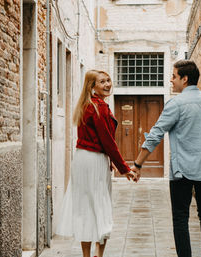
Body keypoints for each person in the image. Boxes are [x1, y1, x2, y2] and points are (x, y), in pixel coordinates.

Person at [131, 60, 201, 257]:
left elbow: (156, 133)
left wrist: (137, 164)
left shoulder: (176, 103)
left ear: (185, 79)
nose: (170, 80)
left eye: (174, 76)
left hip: (182, 169)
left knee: (180, 218)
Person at [56, 70, 137, 257]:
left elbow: (100, 141)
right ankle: (98, 255)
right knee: (101, 207)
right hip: (94, 161)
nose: (108, 84)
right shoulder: (99, 107)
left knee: (86, 208)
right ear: (92, 86)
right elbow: (107, 141)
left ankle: (87, 255)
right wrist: (124, 168)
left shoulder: (85, 105)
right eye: (102, 82)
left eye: (108, 80)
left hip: (82, 159)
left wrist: (113, 162)